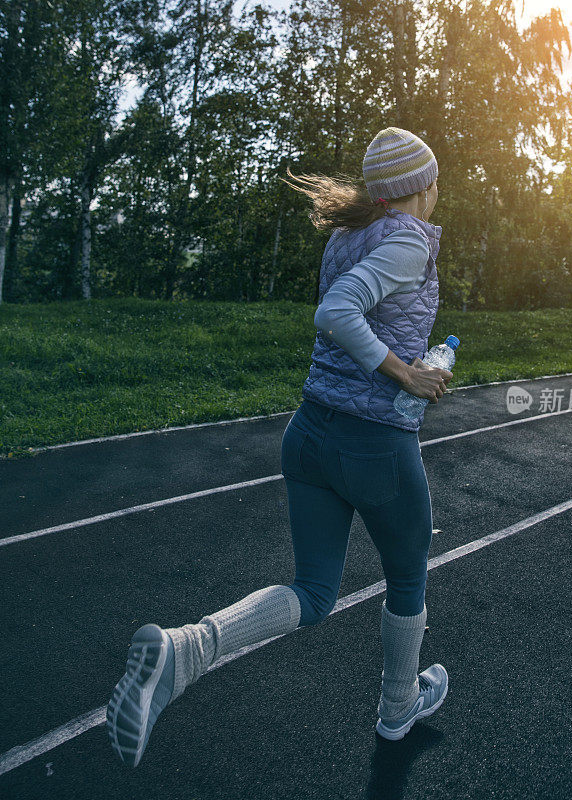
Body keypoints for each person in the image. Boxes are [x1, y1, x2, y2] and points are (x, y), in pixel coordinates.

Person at [106, 126, 454, 767]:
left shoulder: (348, 235)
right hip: (373, 445)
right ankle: (398, 707)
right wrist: (406, 373)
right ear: (420, 189)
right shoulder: (407, 239)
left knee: (313, 591)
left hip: (310, 434)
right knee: (407, 576)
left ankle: (187, 650)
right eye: (435, 183)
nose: (438, 194)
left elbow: (348, 312)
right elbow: (337, 312)